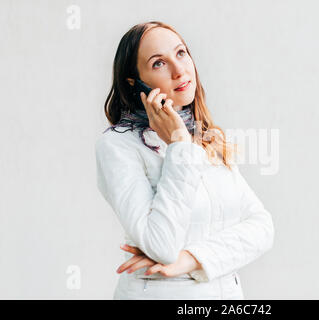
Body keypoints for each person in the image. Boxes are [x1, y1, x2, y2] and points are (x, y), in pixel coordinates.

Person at [95, 20, 274, 300]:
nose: (179, 70)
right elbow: (160, 244)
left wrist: (190, 259)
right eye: (158, 63)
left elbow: (262, 228)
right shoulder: (117, 146)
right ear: (135, 83)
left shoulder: (206, 137)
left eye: (181, 53)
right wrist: (178, 144)